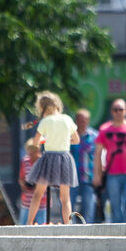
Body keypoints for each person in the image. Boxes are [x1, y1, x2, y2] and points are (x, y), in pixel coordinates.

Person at [25, 91, 79, 225]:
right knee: (65, 198)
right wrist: (63, 140)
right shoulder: (67, 119)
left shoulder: (46, 121)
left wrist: (46, 140)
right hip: (65, 158)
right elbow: (76, 140)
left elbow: (36, 142)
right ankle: (68, 225)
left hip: (49, 159)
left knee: (38, 193)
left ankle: (29, 223)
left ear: (42, 107)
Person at [69, 108, 97, 224]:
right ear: (76, 121)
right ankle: (70, 230)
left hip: (88, 177)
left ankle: (87, 231)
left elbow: (99, 156)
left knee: (88, 206)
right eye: (80, 120)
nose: (82, 122)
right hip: (72, 177)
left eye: (85, 120)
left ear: (88, 121)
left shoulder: (95, 137)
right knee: (69, 206)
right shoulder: (69, 137)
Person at [18, 137, 47, 225]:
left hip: (41, 202)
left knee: (42, 225)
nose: (30, 154)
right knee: (23, 225)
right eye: (28, 151)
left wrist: (36, 184)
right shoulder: (25, 161)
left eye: (32, 151)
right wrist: (24, 184)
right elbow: (21, 178)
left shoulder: (43, 162)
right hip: (27, 201)